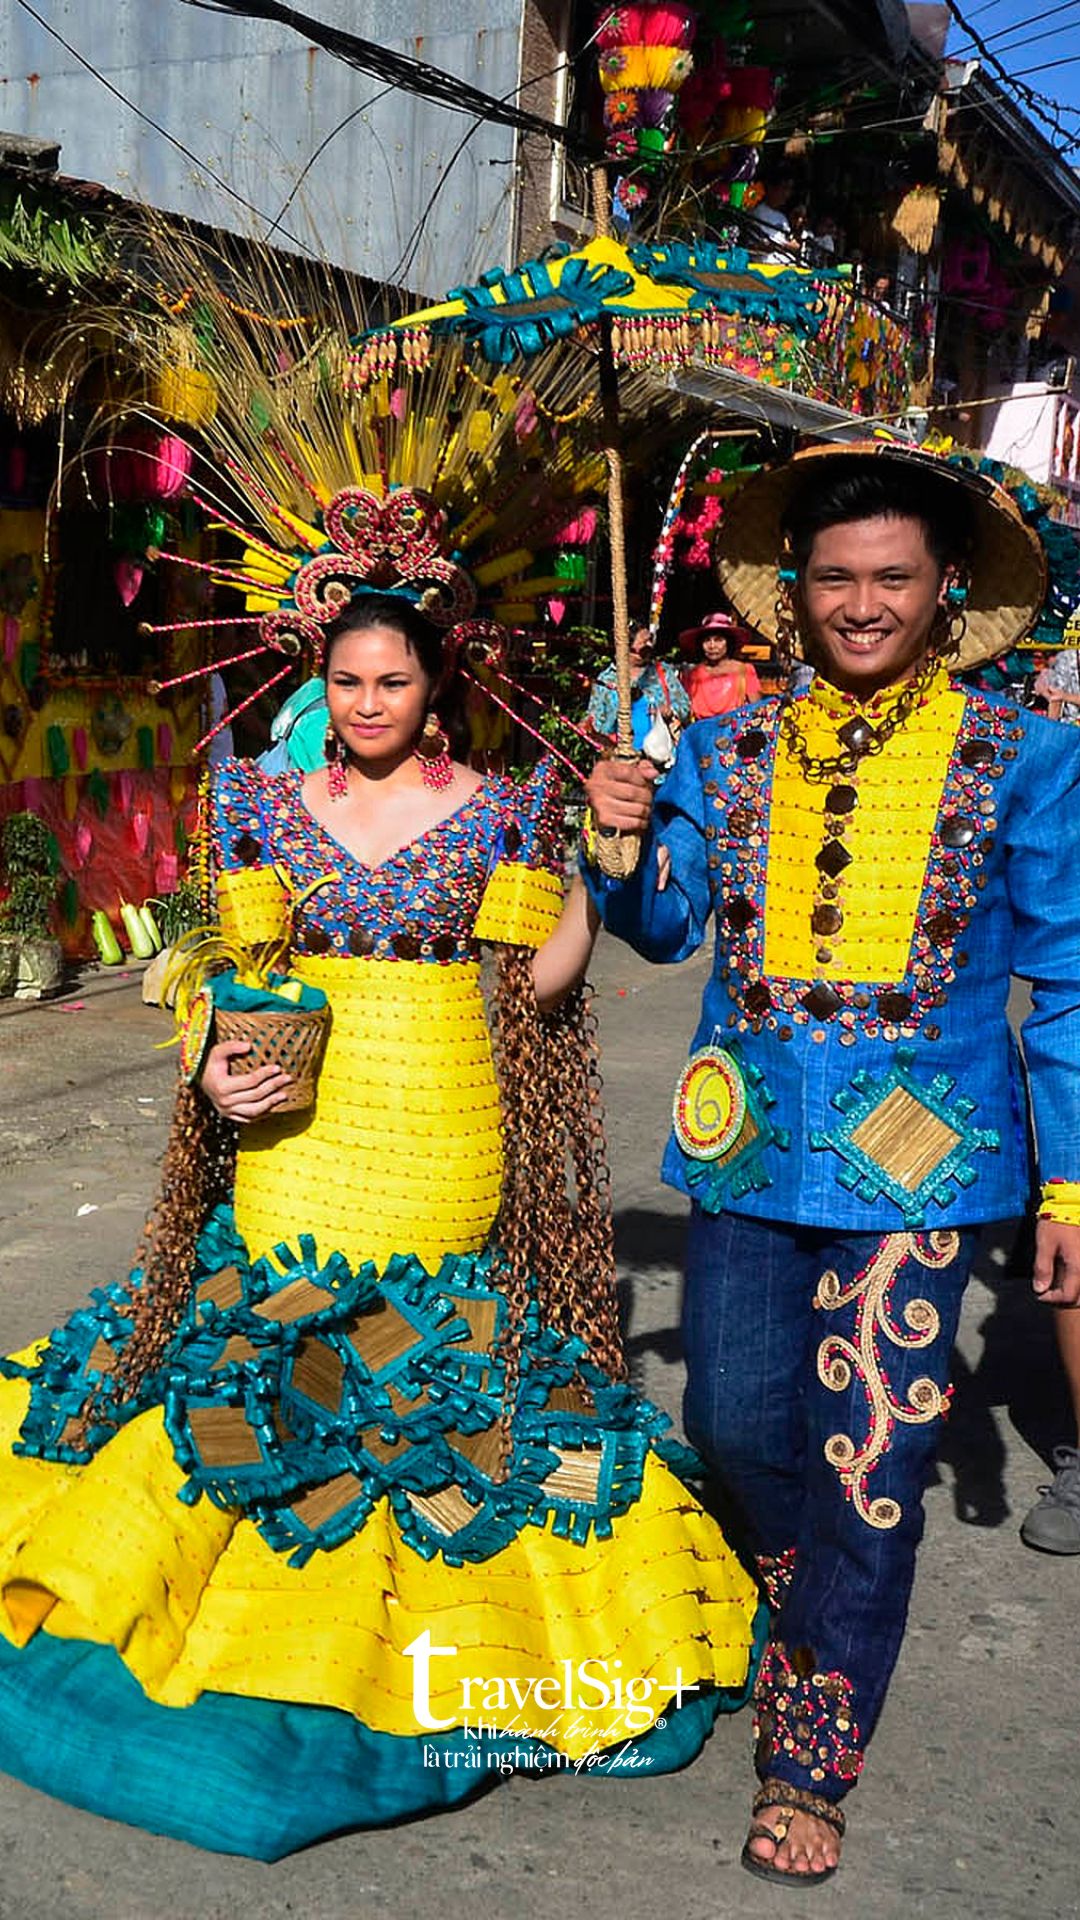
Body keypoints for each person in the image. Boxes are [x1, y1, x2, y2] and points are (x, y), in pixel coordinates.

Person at [0, 549, 760, 1857]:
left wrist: (596, 855)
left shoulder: (501, 806)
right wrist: (216, 1064)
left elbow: (533, 985)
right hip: (301, 1138)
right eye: (346, 680)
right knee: (263, 1359)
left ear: (434, 682)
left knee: (442, 1379)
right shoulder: (262, 803)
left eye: (392, 679)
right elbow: (231, 975)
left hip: (445, 1130)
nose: (366, 702)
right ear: (321, 681)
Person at [583, 443, 1080, 1884]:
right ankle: (810, 1602)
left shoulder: (1031, 760)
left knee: (872, 1463)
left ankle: (812, 1747)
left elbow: (1066, 981)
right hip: (747, 1146)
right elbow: (668, 929)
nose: (863, 604)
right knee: (738, 1424)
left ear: (945, 595)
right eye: (837, 577)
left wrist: (1068, 1187)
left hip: (925, 1164)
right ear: (794, 592)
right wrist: (619, 844)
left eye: (893, 579)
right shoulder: (727, 750)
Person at [586, 619, 690, 752]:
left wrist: (669, 712)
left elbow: (684, 705)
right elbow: (596, 721)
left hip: (661, 752)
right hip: (620, 755)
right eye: (643, 644)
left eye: (650, 641)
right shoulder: (606, 679)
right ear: (626, 648)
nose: (649, 647)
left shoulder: (662, 672)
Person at [679, 610, 762, 720]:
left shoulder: (745, 670)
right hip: (700, 732)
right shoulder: (691, 674)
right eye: (707, 640)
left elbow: (757, 710)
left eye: (718, 640)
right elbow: (682, 710)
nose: (712, 646)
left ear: (729, 642)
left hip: (734, 732)